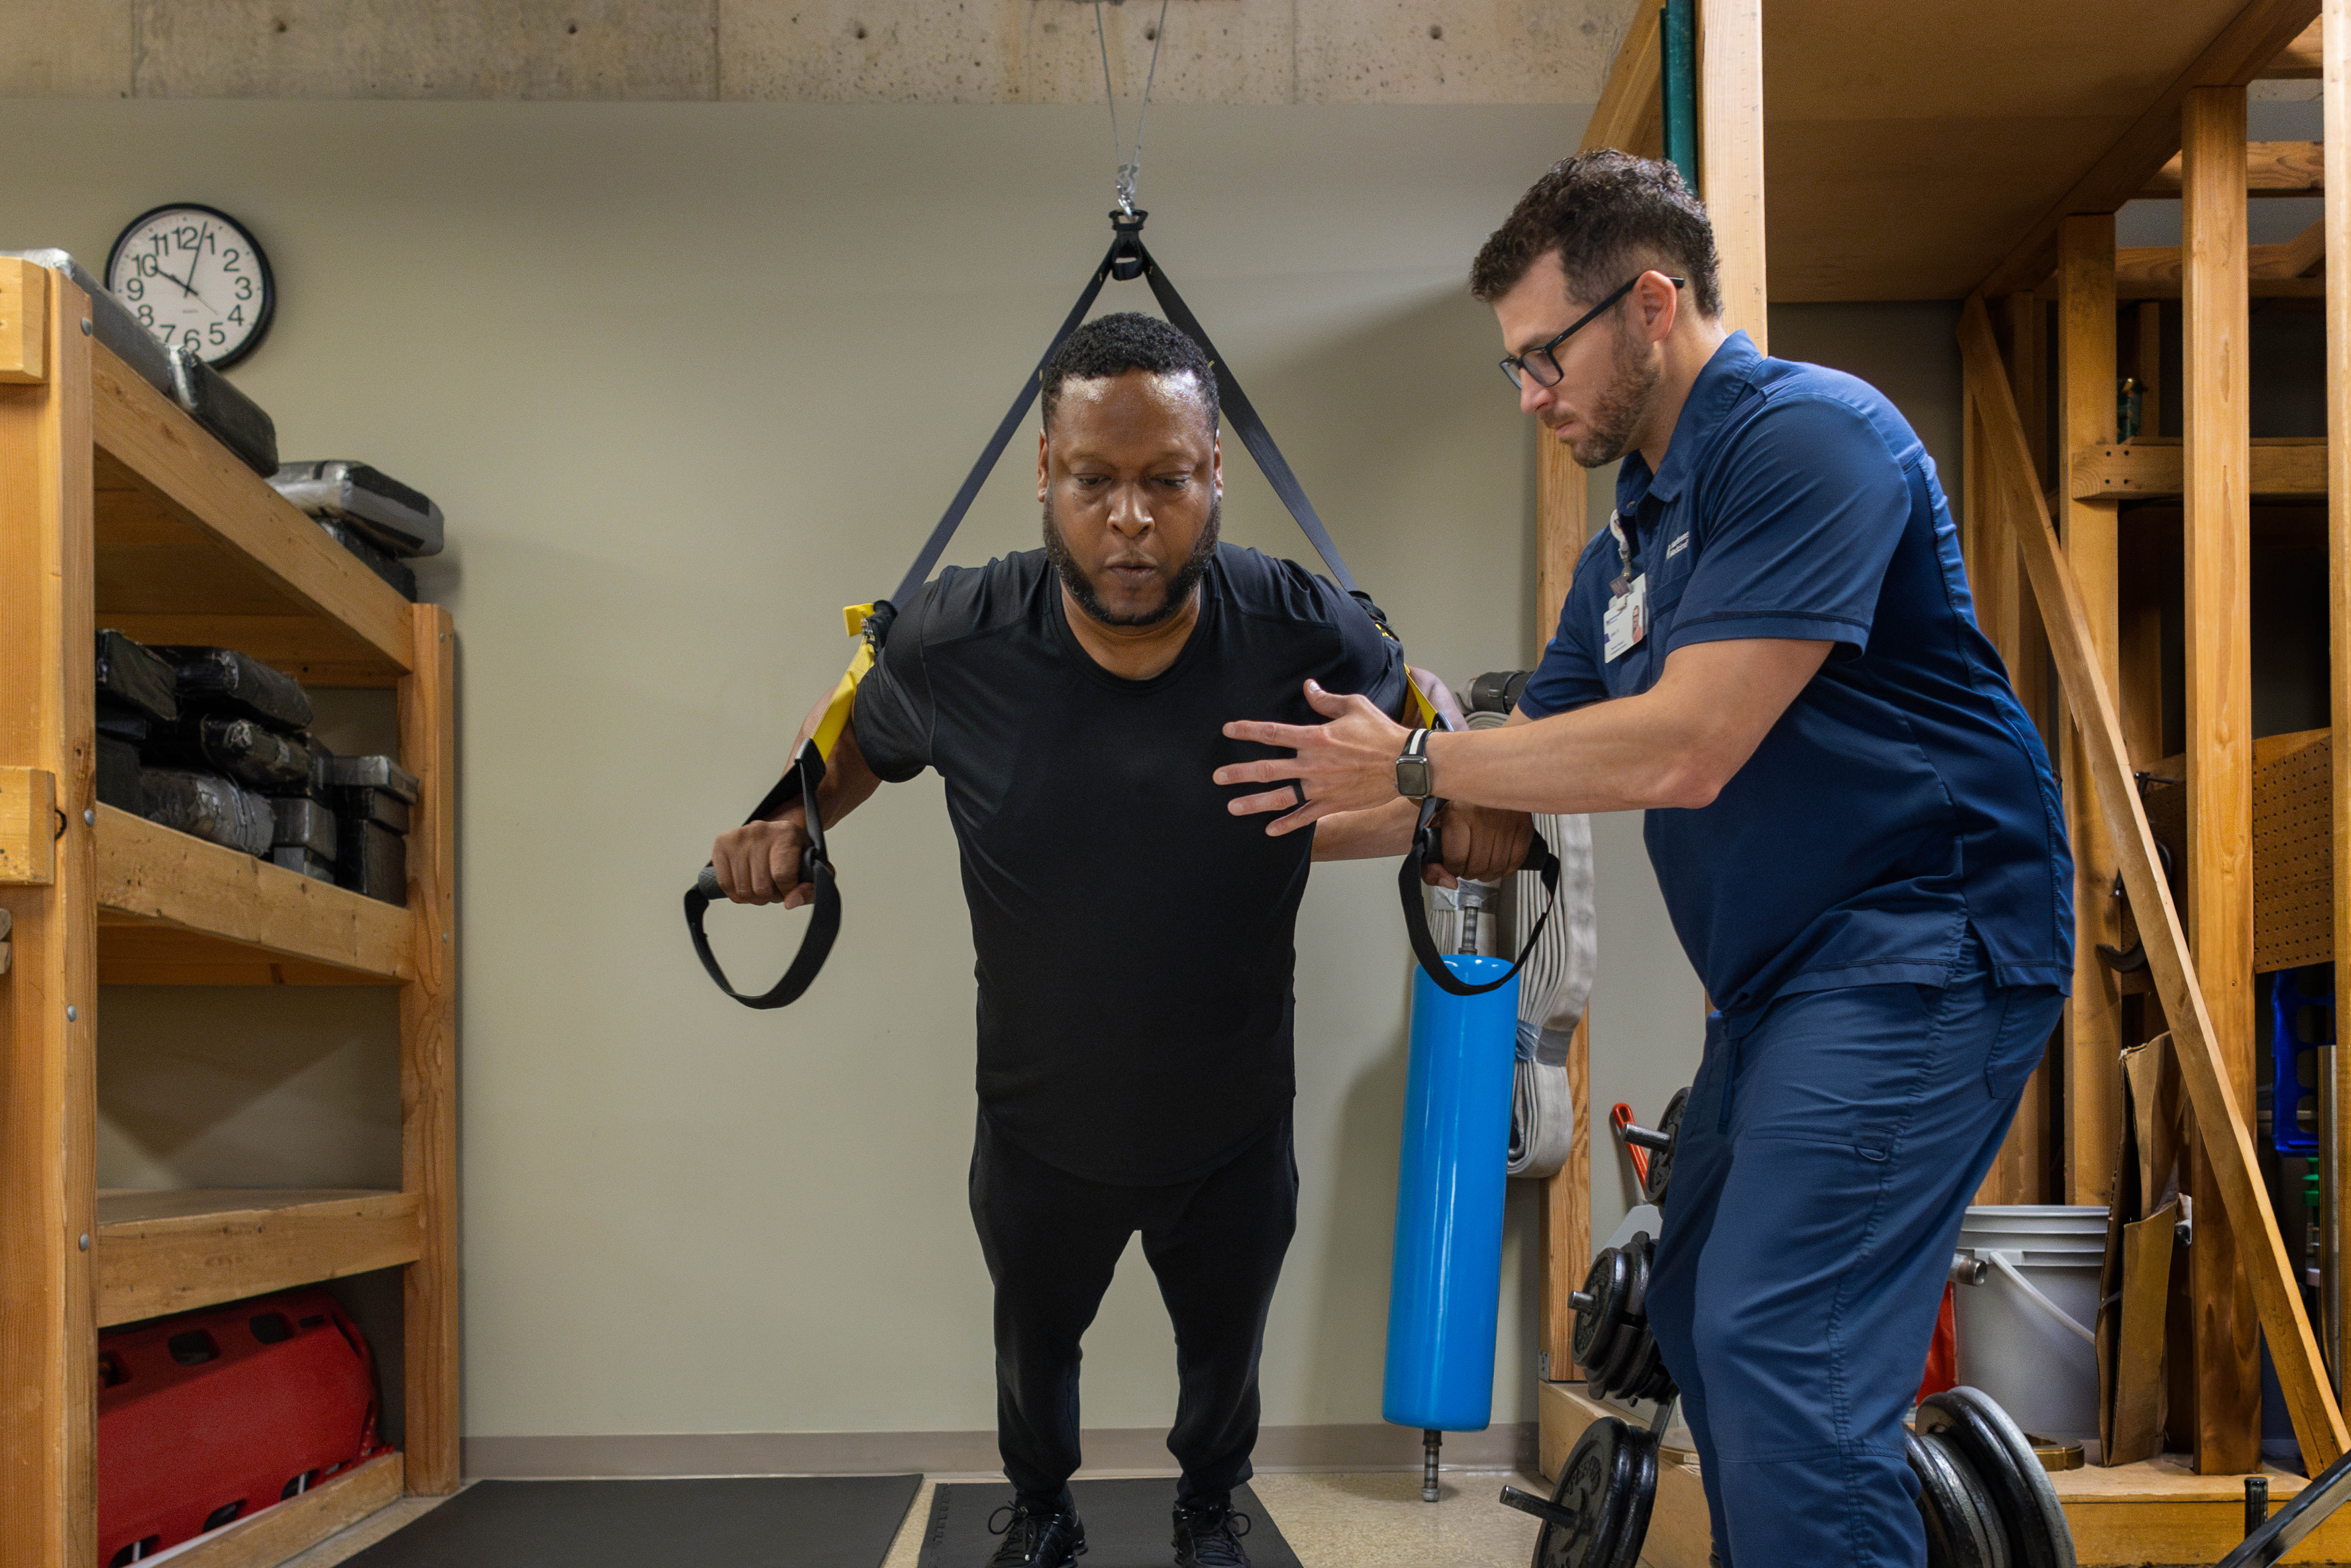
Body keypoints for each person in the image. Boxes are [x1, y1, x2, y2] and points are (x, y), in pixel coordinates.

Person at [1212, 152, 2073, 1568]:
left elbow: (1684, 749)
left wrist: (1423, 761)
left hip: (1929, 944)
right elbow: (1517, 773)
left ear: (1652, 302)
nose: (1533, 393)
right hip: (1788, 979)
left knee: (1777, 1330)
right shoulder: (1629, 536)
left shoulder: (1809, 439)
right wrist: (1248, 811)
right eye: (1516, 367)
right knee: (1689, 1315)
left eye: (1542, 354)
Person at [709, 312, 1526, 1568]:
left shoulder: (1300, 625)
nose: (1131, 519)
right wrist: (782, 822)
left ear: (1215, 476)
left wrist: (1463, 797)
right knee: (1031, 1361)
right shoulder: (952, 640)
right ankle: (1041, 1515)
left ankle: (1208, 1511)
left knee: (1223, 1366)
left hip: (1234, 1113)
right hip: (1038, 1122)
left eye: (1166, 480)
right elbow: (853, 738)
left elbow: (1420, 705)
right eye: (1095, 480)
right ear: (1045, 473)